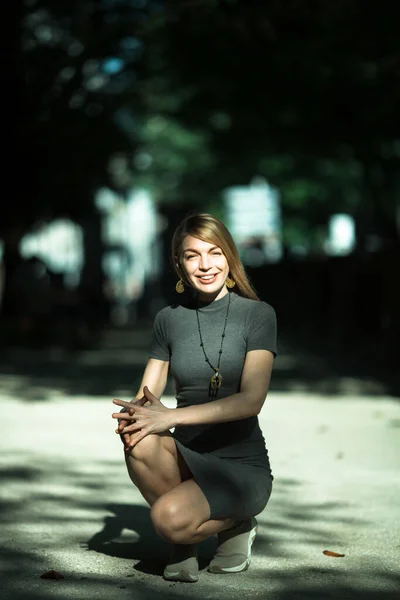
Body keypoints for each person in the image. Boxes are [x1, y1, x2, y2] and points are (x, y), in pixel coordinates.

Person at [112, 212, 277, 583]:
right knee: (137, 436)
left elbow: (252, 400)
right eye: (192, 255)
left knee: (166, 520)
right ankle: (185, 541)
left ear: (230, 257)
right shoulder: (169, 319)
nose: (205, 265)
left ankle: (236, 524)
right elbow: (147, 397)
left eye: (215, 253)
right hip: (187, 459)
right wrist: (135, 415)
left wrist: (170, 417)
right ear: (178, 264)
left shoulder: (258, 315)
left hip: (240, 469)